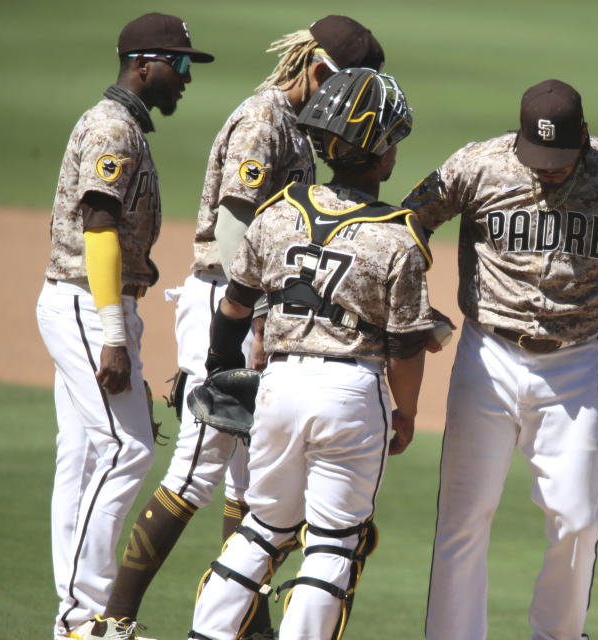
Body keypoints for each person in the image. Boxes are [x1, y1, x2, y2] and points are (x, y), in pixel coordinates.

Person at [96, 16, 385, 640]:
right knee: (196, 468)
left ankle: (247, 631)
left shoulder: (303, 128)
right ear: (318, 70)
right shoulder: (266, 119)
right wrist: (248, 329)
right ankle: (111, 620)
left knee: (253, 482)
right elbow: (233, 235)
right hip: (229, 304)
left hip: (257, 313)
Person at [188, 67, 438, 640]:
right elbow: (405, 347)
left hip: (278, 387)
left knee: (262, 528)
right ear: (381, 154)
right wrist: (407, 413)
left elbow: (234, 306)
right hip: (350, 395)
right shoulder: (398, 237)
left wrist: (218, 368)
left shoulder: (279, 212)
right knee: (332, 543)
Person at [402, 79, 598, 640]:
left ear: (584, 137)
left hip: (573, 364)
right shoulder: (477, 164)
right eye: (538, 159)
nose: (549, 170)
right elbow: (406, 222)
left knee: (579, 521)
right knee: (464, 520)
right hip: (486, 355)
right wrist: (415, 307)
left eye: (560, 159)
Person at [35, 13, 213, 640]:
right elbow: (100, 228)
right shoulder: (114, 129)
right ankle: (82, 617)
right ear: (144, 63)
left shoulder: (122, 125)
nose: (186, 78)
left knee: (83, 454)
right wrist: (114, 332)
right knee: (125, 449)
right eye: (180, 64)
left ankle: (73, 618)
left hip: (87, 303)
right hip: (90, 305)